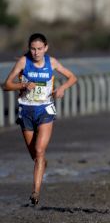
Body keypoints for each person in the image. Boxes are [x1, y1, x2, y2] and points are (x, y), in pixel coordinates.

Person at [2, 33, 77, 205]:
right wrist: (22, 85)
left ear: (46, 48)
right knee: (35, 156)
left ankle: (35, 192)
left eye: (39, 49)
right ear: (29, 48)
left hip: (45, 110)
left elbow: (72, 77)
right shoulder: (23, 62)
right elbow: (6, 85)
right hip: (26, 111)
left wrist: (62, 89)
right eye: (33, 49)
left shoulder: (52, 62)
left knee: (40, 151)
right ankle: (42, 164)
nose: (36, 53)